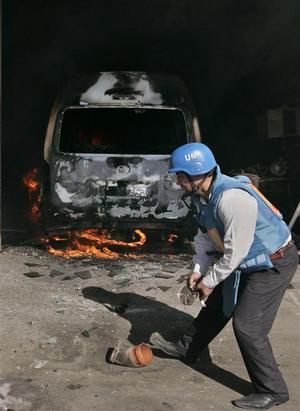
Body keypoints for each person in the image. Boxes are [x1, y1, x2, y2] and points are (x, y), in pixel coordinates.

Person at [150, 143, 298, 410]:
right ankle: (188, 348)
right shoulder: (201, 197)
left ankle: (273, 390)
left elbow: (235, 252)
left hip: (272, 263)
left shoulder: (232, 199)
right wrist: (197, 270)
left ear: (195, 175)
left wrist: (209, 280)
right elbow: (206, 238)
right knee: (218, 305)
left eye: (179, 175)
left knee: (248, 326)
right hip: (247, 260)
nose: (177, 181)